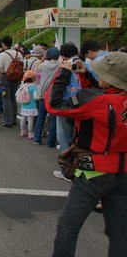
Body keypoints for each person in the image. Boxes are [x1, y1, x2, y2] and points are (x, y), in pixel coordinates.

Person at [46, 52, 127, 257]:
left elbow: (54, 105)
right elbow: (109, 95)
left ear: (108, 78)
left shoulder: (95, 100)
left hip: (94, 171)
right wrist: (89, 77)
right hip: (123, 171)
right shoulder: (111, 97)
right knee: (120, 233)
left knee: (68, 227)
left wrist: (63, 74)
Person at [32, 47, 60, 146]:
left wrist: (43, 58)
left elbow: (35, 71)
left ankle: (37, 139)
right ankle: (51, 142)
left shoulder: (43, 65)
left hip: (43, 94)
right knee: (53, 118)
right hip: (54, 94)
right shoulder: (60, 66)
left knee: (41, 117)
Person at [0, 35, 23, 127]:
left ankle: (8, 121)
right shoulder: (18, 54)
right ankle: (14, 120)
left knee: (5, 99)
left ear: (3, 44)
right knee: (13, 99)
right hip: (15, 78)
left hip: (5, 78)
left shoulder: (2, 55)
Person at [18, 70, 38, 139]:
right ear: (32, 78)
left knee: (23, 119)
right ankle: (30, 133)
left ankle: (22, 131)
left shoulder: (23, 86)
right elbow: (36, 97)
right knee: (30, 120)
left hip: (24, 106)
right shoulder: (34, 87)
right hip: (32, 106)